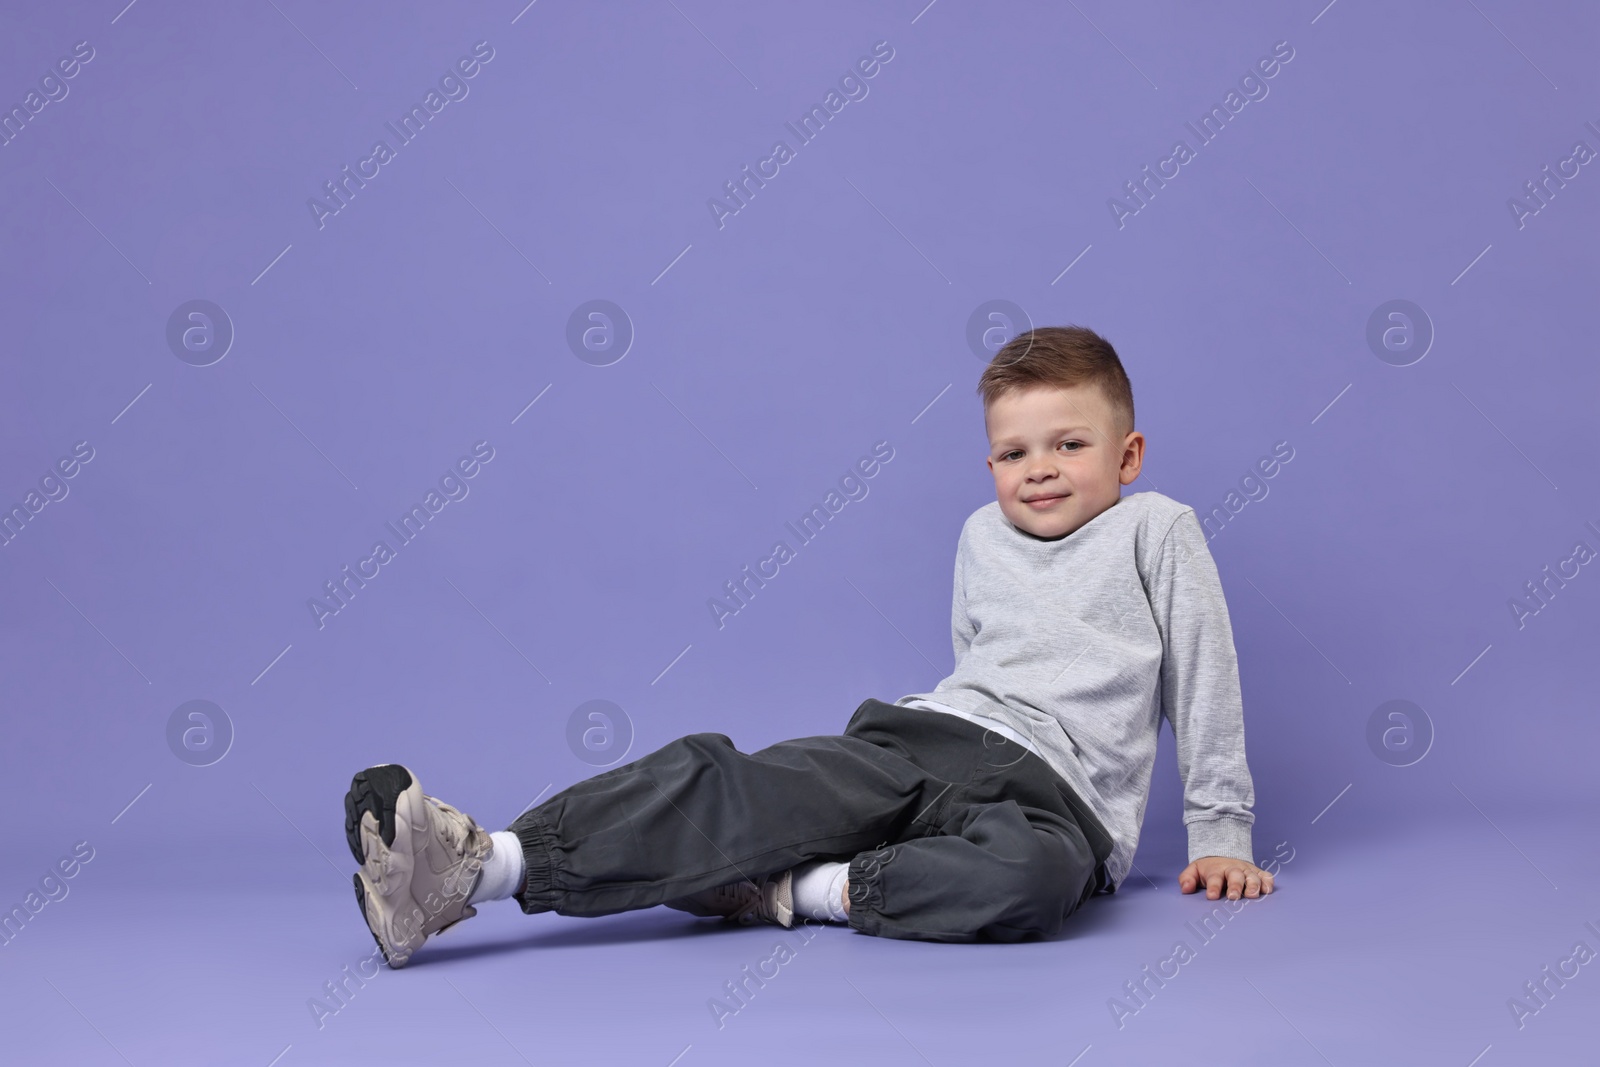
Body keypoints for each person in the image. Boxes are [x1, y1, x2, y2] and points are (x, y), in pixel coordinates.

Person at [342, 325, 1274, 969]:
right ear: (990, 463)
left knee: (1028, 884)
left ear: (1129, 453)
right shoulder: (979, 537)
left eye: (1070, 443)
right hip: (924, 739)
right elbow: (975, 659)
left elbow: (1204, 670)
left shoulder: (1156, 529)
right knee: (737, 780)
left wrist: (1221, 830)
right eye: (1015, 452)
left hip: (1059, 800)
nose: (1040, 470)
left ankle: (803, 888)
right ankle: (471, 865)